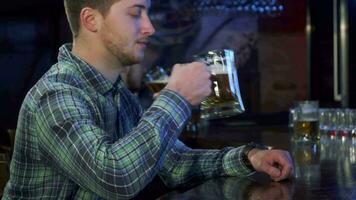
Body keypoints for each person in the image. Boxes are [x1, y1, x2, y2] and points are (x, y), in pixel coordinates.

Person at [2, 0, 294, 199]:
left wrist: (248, 158)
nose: (149, 27)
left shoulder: (116, 93)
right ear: (91, 20)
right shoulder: (56, 94)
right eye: (135, 13)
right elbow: (115, 177)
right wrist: (176, 97)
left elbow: (173, 164)